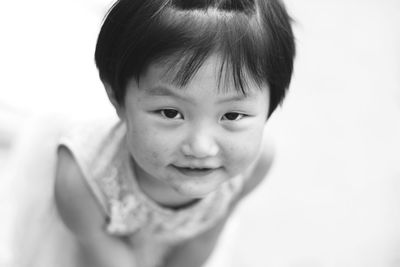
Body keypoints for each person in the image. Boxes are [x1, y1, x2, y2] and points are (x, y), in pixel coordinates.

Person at [4, 0, 295, 266]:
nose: (201, 147)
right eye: (170, 113)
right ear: (116, 99)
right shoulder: (81, 179)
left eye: (232, 115)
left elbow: (205, 236)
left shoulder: (257, 161)